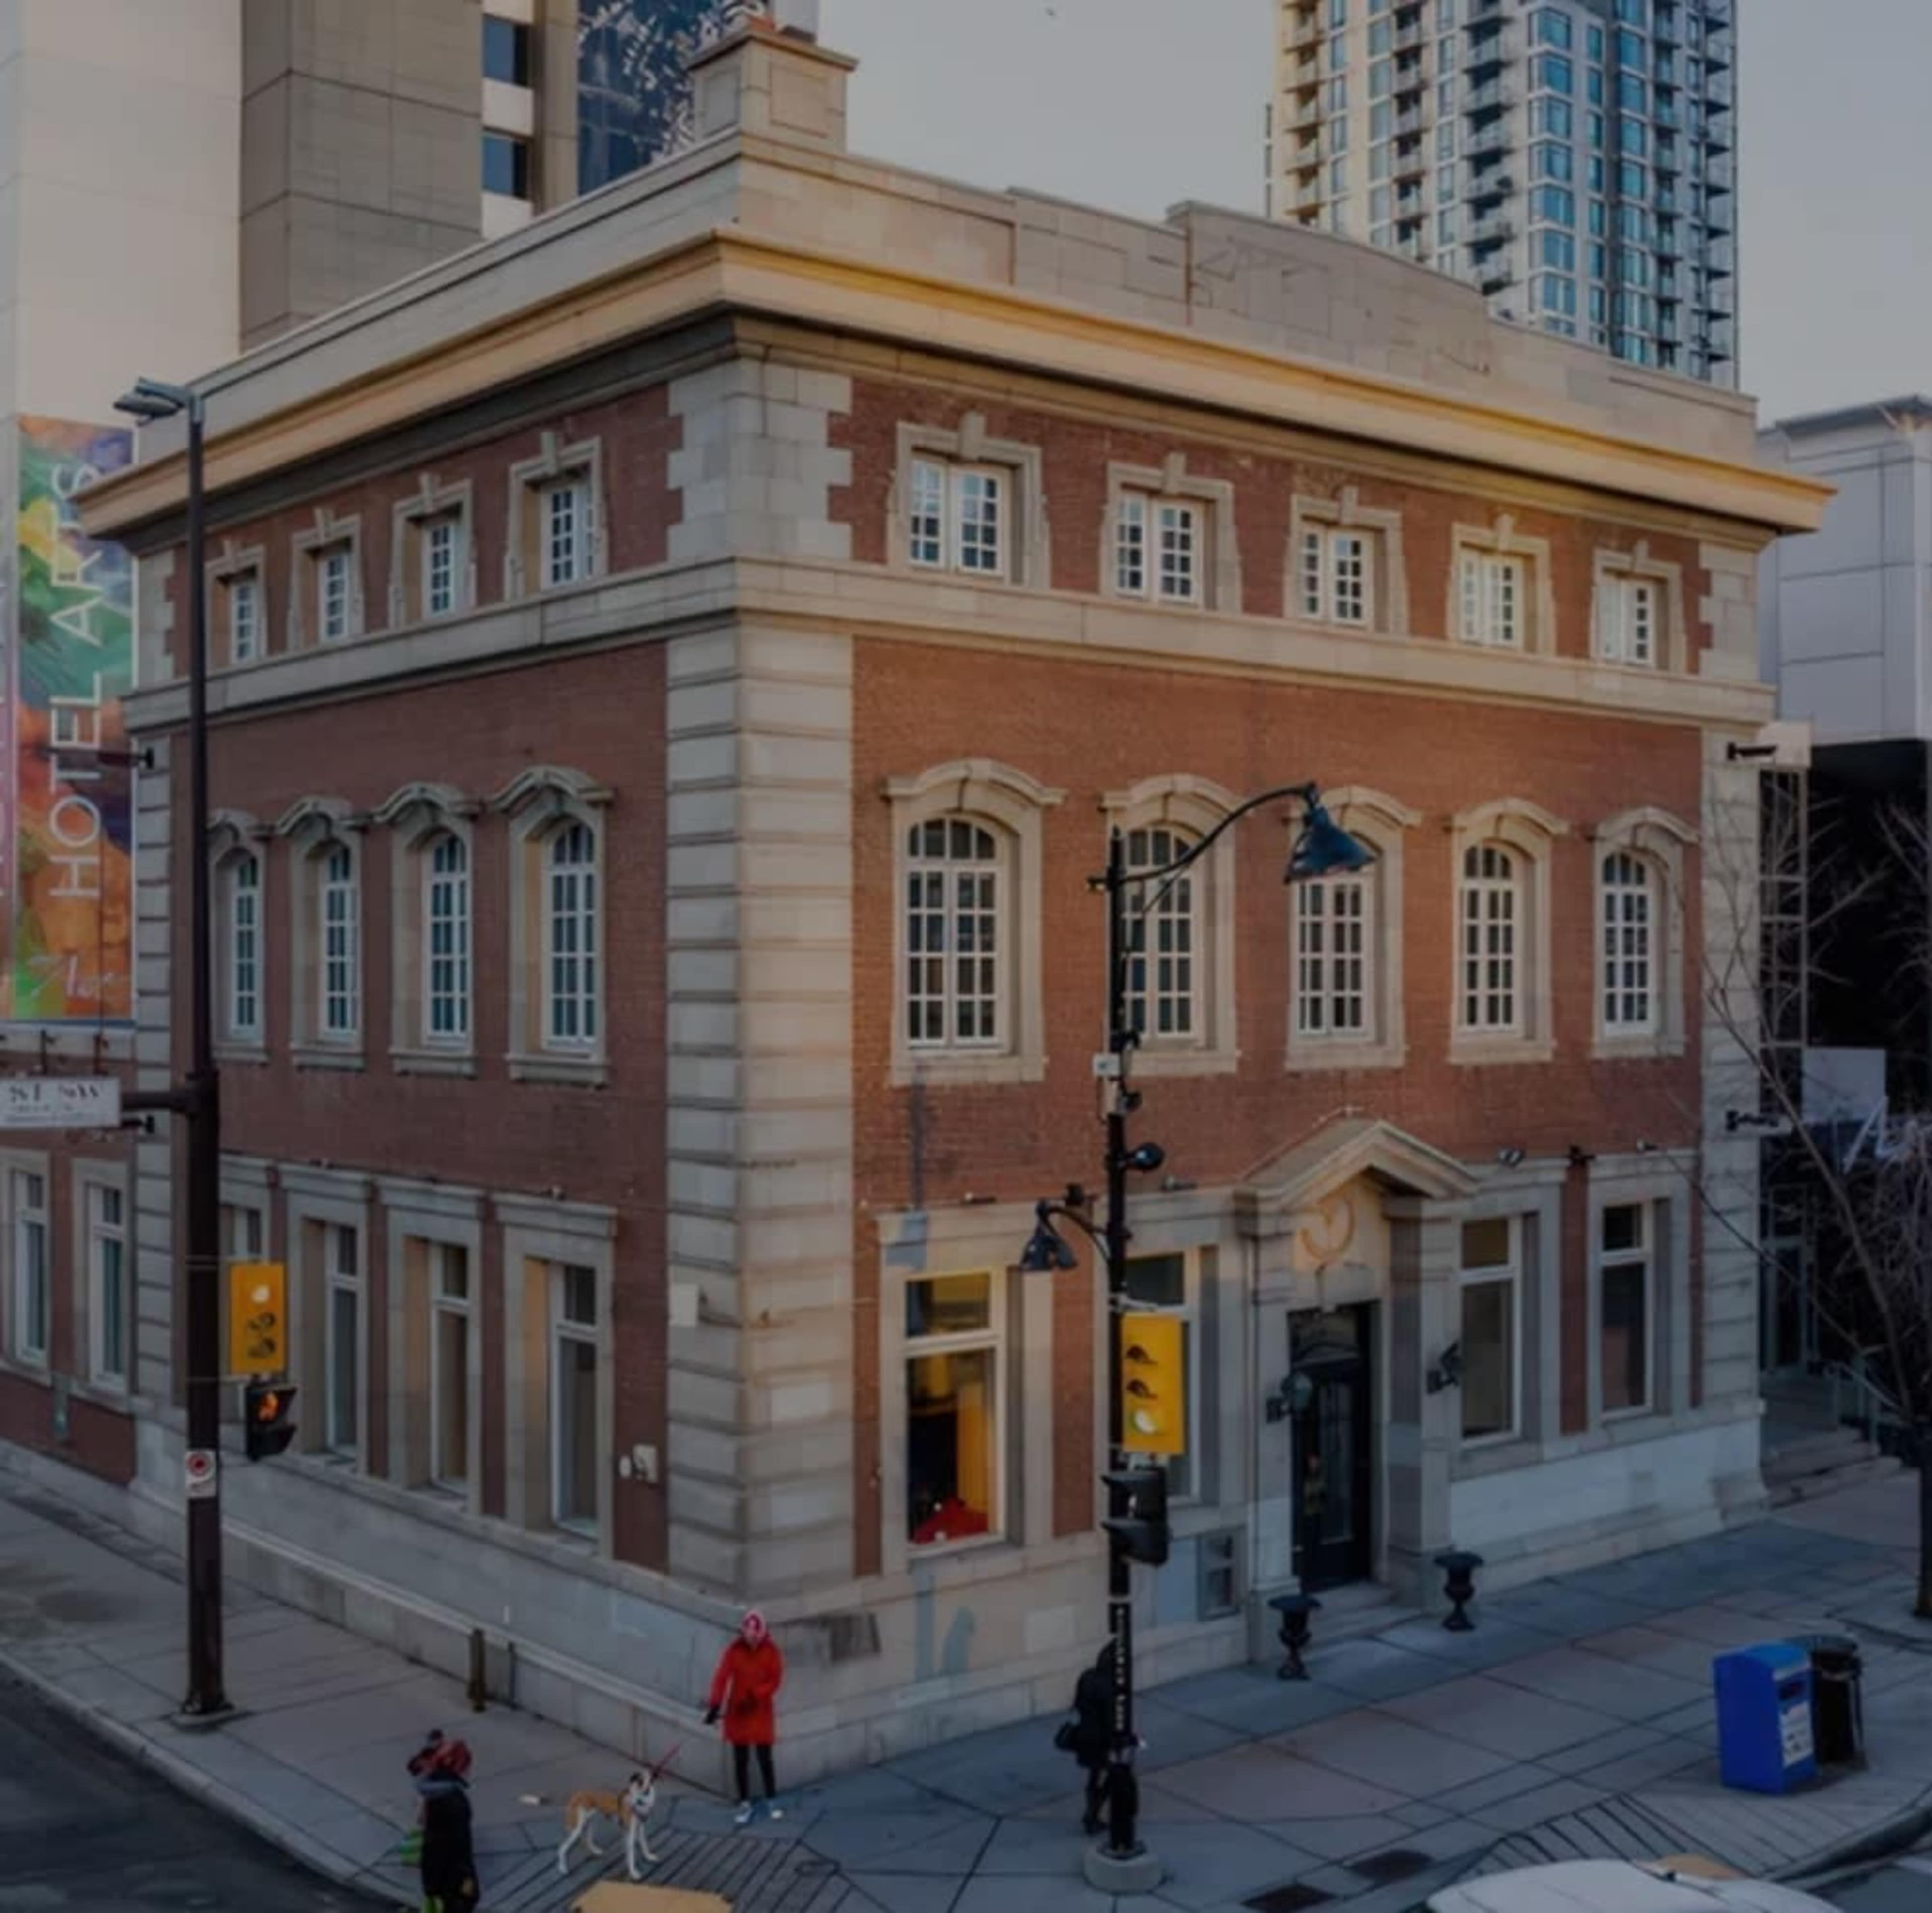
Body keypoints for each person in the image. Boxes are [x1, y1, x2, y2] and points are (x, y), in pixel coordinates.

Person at [705, 1610, 785, 1826]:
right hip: (739, 1711)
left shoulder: (771, 1651)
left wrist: (756, 1694)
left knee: (764, 1758)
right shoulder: (734, 1650)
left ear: (761, 1634)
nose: (750, 1641)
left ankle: (771, 1799)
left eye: (754, 1637)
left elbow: (775, 1679)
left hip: (759, 1710)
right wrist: (715, 1704)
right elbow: (722, 1677)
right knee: (740, 1761)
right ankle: (745, 1803)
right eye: (747, 1636)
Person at [416, 1736, 479, 1913]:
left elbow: (431, 1845)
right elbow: (458, 1845)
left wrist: (430, 1888)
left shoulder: (435, 1796)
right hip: (453, 1881)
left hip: (437, 1879)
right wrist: (468, 1880)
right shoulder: (454, 1802)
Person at [1064, 1644, 1117, 1836]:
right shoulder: (1108, 1686)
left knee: (1094, 1775)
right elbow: (1111, 1718)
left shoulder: (1087, 1677)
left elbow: (1077, 1704)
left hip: (1085, 1735)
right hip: (1100, 1738)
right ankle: (1092, 1814)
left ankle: (1091, 1816)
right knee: (1114, 1774)